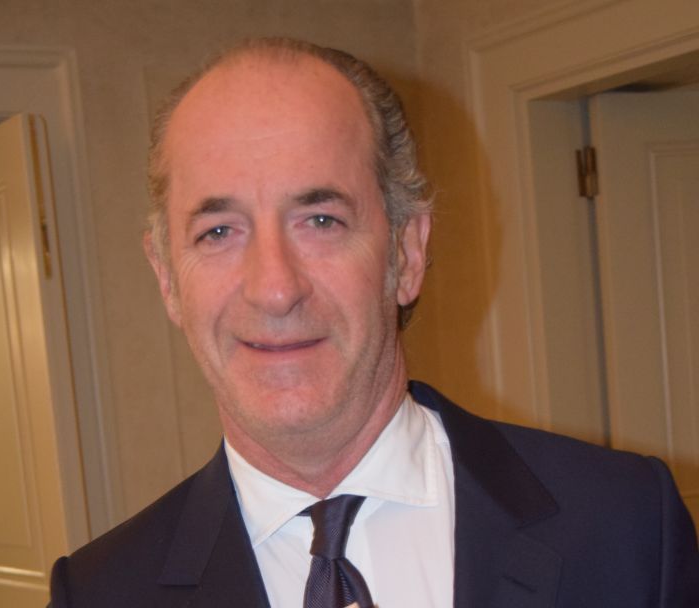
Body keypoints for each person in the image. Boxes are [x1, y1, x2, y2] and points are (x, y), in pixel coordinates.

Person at [48, 38, 699, 608]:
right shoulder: (101, 592)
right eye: (218, 231)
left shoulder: (625, 524)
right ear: (167, 277)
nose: (275, 289)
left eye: (321, 221)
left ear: (406, 253)